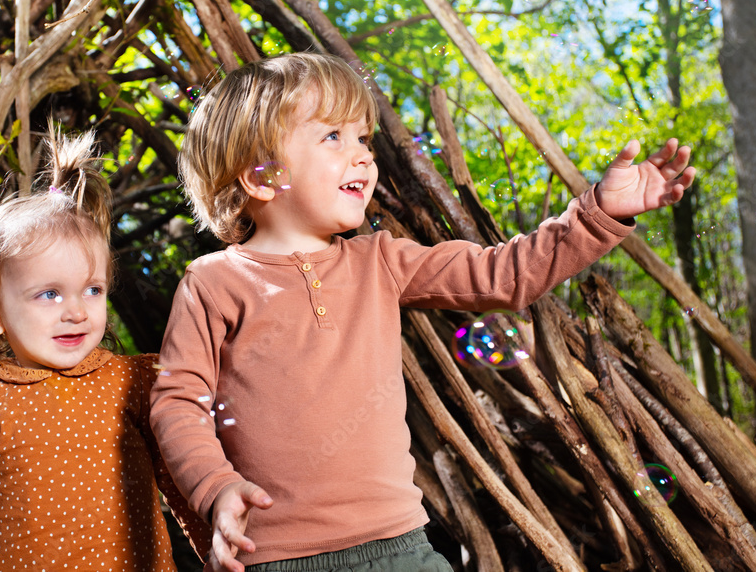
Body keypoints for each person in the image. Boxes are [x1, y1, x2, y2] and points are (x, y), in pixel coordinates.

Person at [150, 53, 695, 572]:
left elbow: (503, 275)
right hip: (271, 555)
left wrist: (599, 212)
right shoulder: (214, 282)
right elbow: (178, 404)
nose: (363, 154)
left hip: (401, 546)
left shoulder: (382, 259)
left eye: (363, 137)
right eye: (333, 136)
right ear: (262, 175)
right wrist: (216, 486)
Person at [0, 131, 211, 571]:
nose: (76, 311)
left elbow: (180, 483)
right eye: (49, 294)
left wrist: (218, 551)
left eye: (92, 290)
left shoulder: (133, 383)